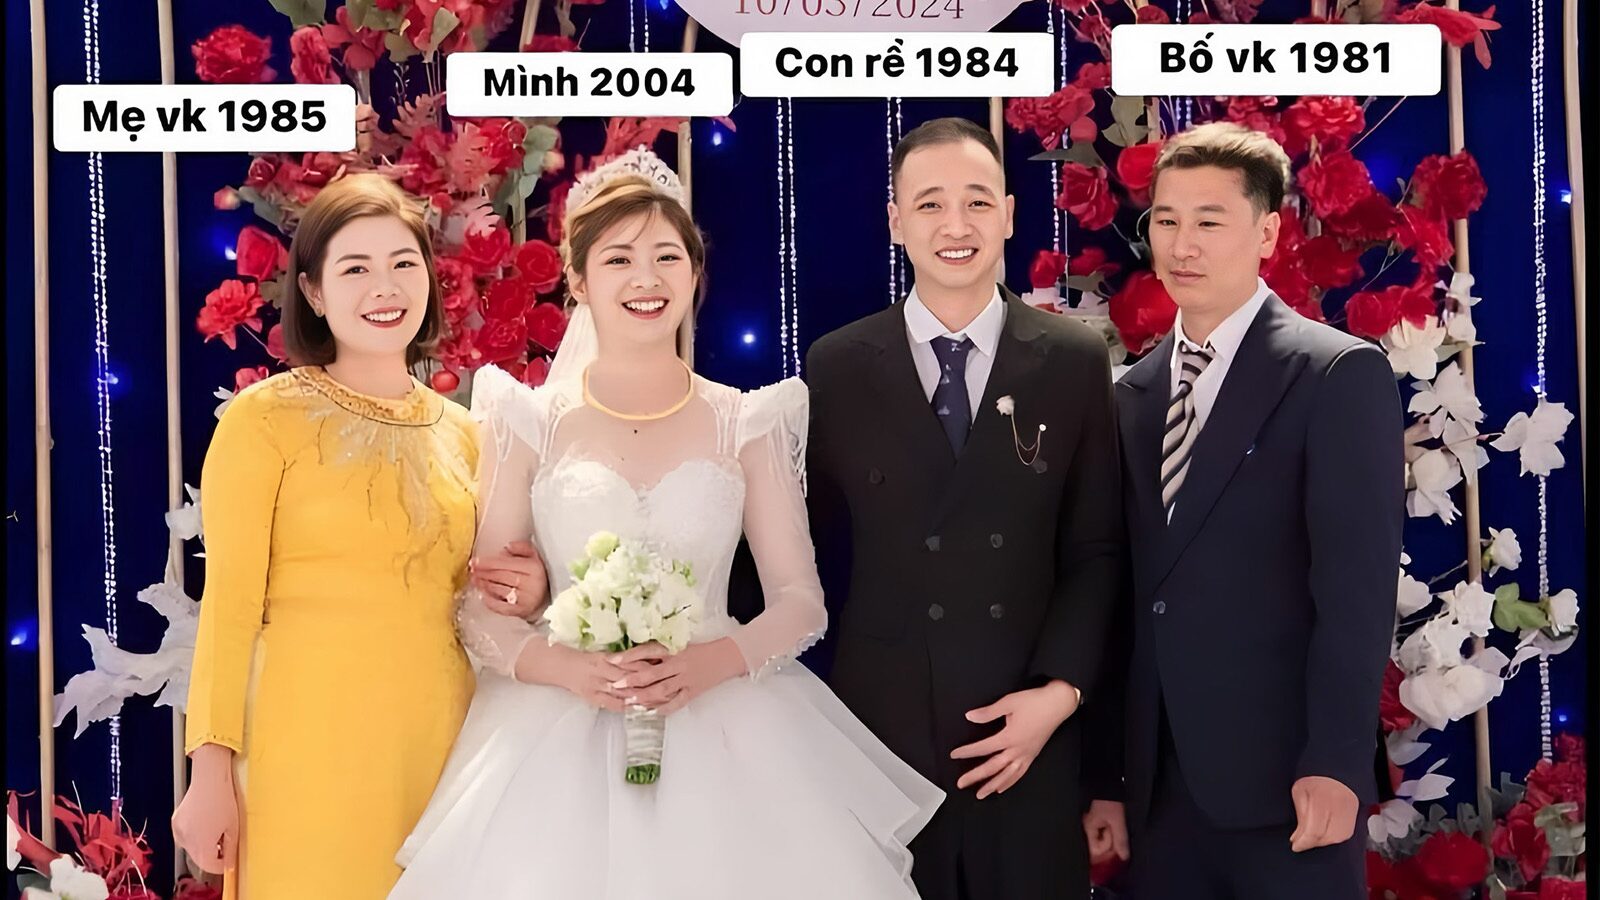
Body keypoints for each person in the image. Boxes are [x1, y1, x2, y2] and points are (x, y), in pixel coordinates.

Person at [389, 148, 943, 899]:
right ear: (578, 280)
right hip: (556, 729)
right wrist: (572, 669)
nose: (645, 279)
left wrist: (711, 662)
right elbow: (482, 611)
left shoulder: (749, 421)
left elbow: (800, 602)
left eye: (666, 257)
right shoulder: (528, 420)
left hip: (724, 720)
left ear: (694, 271)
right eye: (618, 259)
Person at [172, 173, 543, 897]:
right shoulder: (262, 420)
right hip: (304, 751)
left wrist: (528, 589)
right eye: (355, 269)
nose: (385, 288)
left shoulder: (468, 434)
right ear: (313, 292)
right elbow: (229, 607)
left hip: (444, 747)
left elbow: (479, 600)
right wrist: (209, 770)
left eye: (404, 263)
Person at [804, 117, 1125, 900]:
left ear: (1009, 214)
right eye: (930, 204)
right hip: (881, 738)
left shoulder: (1074, 359)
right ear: (895, 221)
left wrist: (1059, 696)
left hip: (1027, 732)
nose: (956, 226)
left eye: (978, 202)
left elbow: (1097, 551)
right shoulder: (838, 365)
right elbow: (803, 551)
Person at [1097, 122, 1403, 899]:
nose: (1182, 245)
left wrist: (1336, 762)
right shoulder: (1130, 395)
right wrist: (1108, 777)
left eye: (1209, 221)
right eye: (1166, 221)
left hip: (1288, 783)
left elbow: (1357, 593)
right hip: (1160, 791)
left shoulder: (1334, 372)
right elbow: (1124, 597)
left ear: (1267, 233)